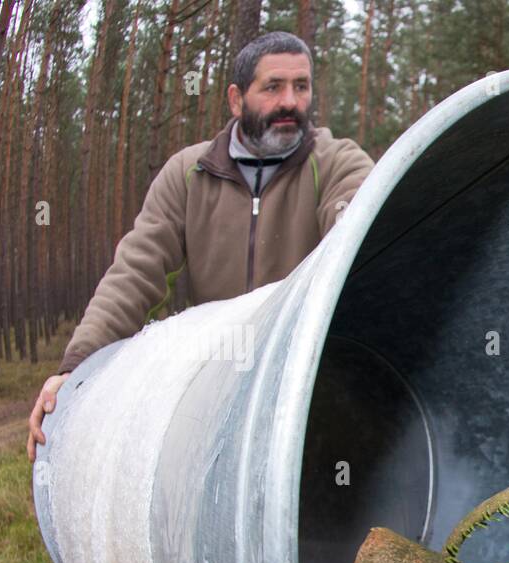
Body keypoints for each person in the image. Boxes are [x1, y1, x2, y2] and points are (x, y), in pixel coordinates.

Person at [27, 30, 374, 460]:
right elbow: (136, 271)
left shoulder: (337, 161)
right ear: (235, 99)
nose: (290, 102)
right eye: (273, 87)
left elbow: (358, 232)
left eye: (300, 86)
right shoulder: (189, 174)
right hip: (212, 390)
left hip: (304, 389)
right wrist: (74, 370)